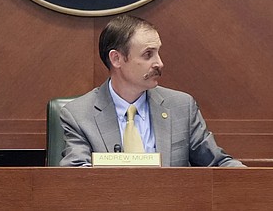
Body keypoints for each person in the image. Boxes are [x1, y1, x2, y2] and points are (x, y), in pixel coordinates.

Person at [59, 15, 244, 167]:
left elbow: (218, 165)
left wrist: (259, 181)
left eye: (158, 52)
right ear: (116, 59)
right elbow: (75, 179)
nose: (159, 63)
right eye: (148, 54)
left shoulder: (181, 107)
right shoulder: (79, 115)